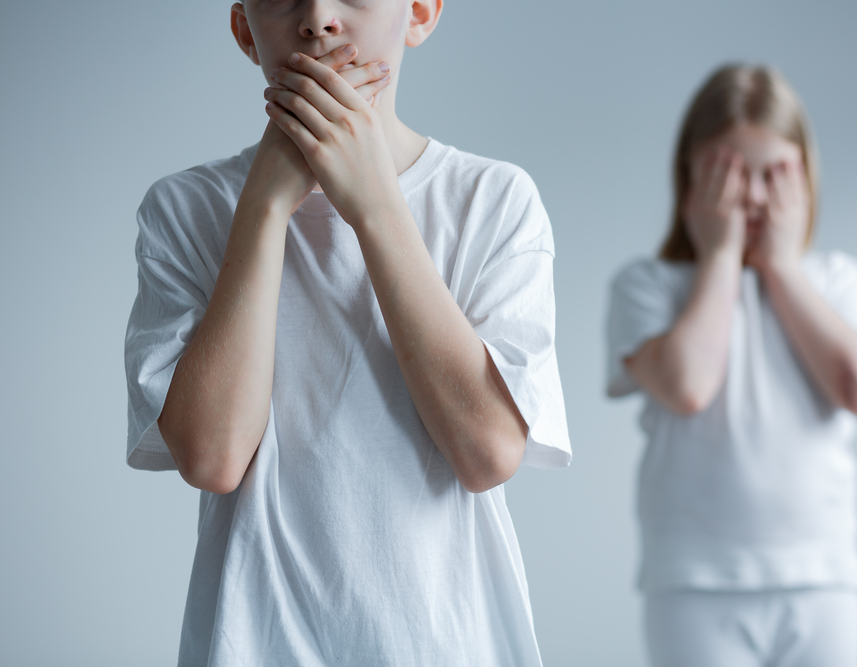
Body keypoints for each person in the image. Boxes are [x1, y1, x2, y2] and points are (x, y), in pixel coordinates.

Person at [124, 1, 571, 664]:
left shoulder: (494, 200)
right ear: (246, 30)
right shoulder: (184, 210)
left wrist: (374, 202)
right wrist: (267, 204)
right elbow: (212, 457)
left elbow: (487, 452)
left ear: (418, 13)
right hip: (255, 643)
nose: (317, 19)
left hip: (451, 644)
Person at [606, 64, 857, 667]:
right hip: (694, 581)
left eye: (774, 175)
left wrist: (783, 269)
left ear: (807, 178)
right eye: (732, 175)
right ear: (690, 180)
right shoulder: (649, 286)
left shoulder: (836, 280)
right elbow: (687, 385)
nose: (756, 198)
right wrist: (721, 256)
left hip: (822, 578)